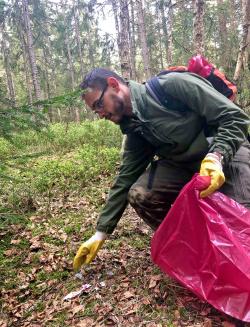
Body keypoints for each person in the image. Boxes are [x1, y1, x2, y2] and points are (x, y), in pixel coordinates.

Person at [73, 68, 250, 271]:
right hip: (183, 165)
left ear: (113, 85)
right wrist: (100, 233)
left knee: (242, 220)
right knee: (141, 194)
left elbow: (236, 118)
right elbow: (125, 180)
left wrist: (216, 157)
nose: (100, 114)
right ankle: (197, 254)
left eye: (99, 104)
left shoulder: (172, 86)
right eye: (95, 111)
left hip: (224, 150)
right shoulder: (134, 129)